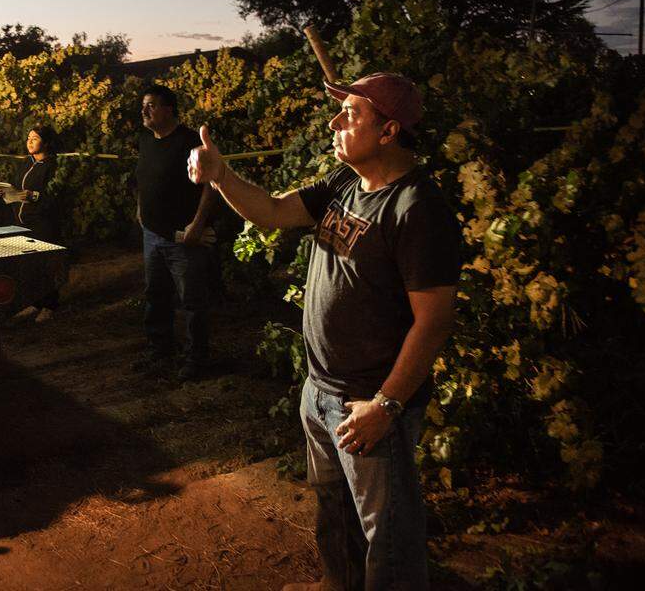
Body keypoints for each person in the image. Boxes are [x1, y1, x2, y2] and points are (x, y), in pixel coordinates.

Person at [188, 72, 460, 591]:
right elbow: (269, 210)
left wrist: (386, 405)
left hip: (369, 404)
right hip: (320, 391)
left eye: (351, 114)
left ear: (388, 132)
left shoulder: (417, 208)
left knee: (389, 539)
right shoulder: (343, 183)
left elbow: (434, 320)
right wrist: (221, 174)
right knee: (336, 516)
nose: (335, 123)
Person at [135, 84, 217, 382]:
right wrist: (140, 209)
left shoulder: (190, 142)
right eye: (144, 105)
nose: (145, 111)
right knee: (156, 294)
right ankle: (161, 349)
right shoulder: (146, 140)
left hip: (184, 237)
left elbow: (211, 186)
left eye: (152, 105)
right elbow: (142, 177)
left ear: (169, 109)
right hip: (152, 234)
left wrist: (197, 224)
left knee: (192, 301)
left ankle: (196, 359)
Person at [0, 125, 60, 322]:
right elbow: (18, 188)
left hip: (42, 222)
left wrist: (35, 196)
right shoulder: (26, 163)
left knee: (45, 265)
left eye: (35, 138)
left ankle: (49, 306)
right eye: (28, 138)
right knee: (29, 266)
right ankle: (34, 303)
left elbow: (58, 195)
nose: (29, 141)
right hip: (22, 222)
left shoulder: (53, 166)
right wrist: (4, 192)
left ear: (46, 142)